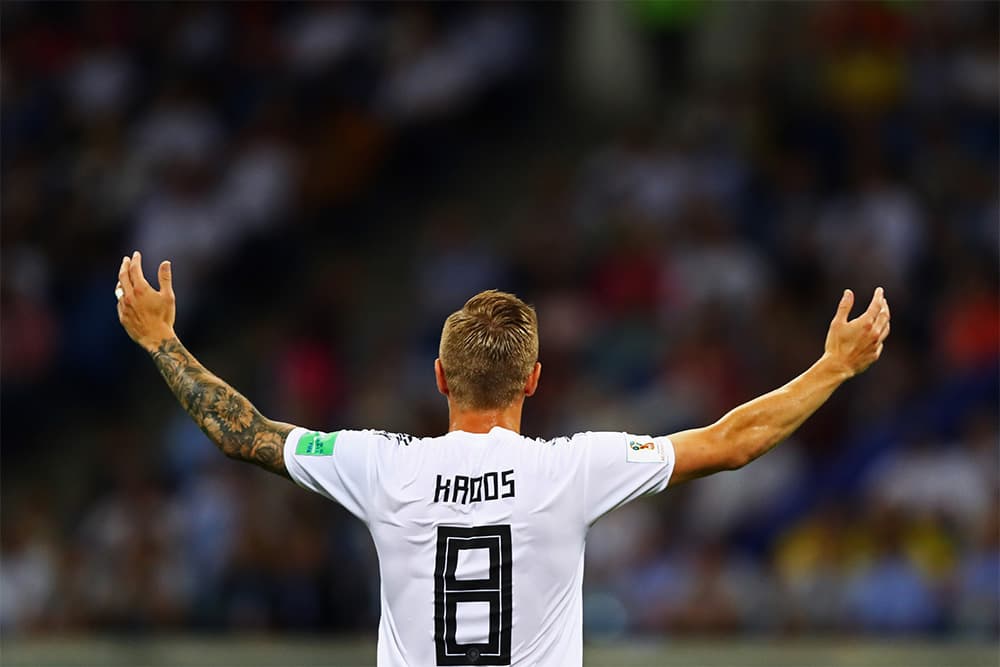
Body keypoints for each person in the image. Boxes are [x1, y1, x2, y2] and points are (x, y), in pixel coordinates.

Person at [115, 250, 890, 666]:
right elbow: (732, 442)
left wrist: (161, 339)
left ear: (440, 378)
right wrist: (835, 367)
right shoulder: (574, 469)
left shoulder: (382, 465)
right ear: (536, 381)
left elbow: (243, 431)